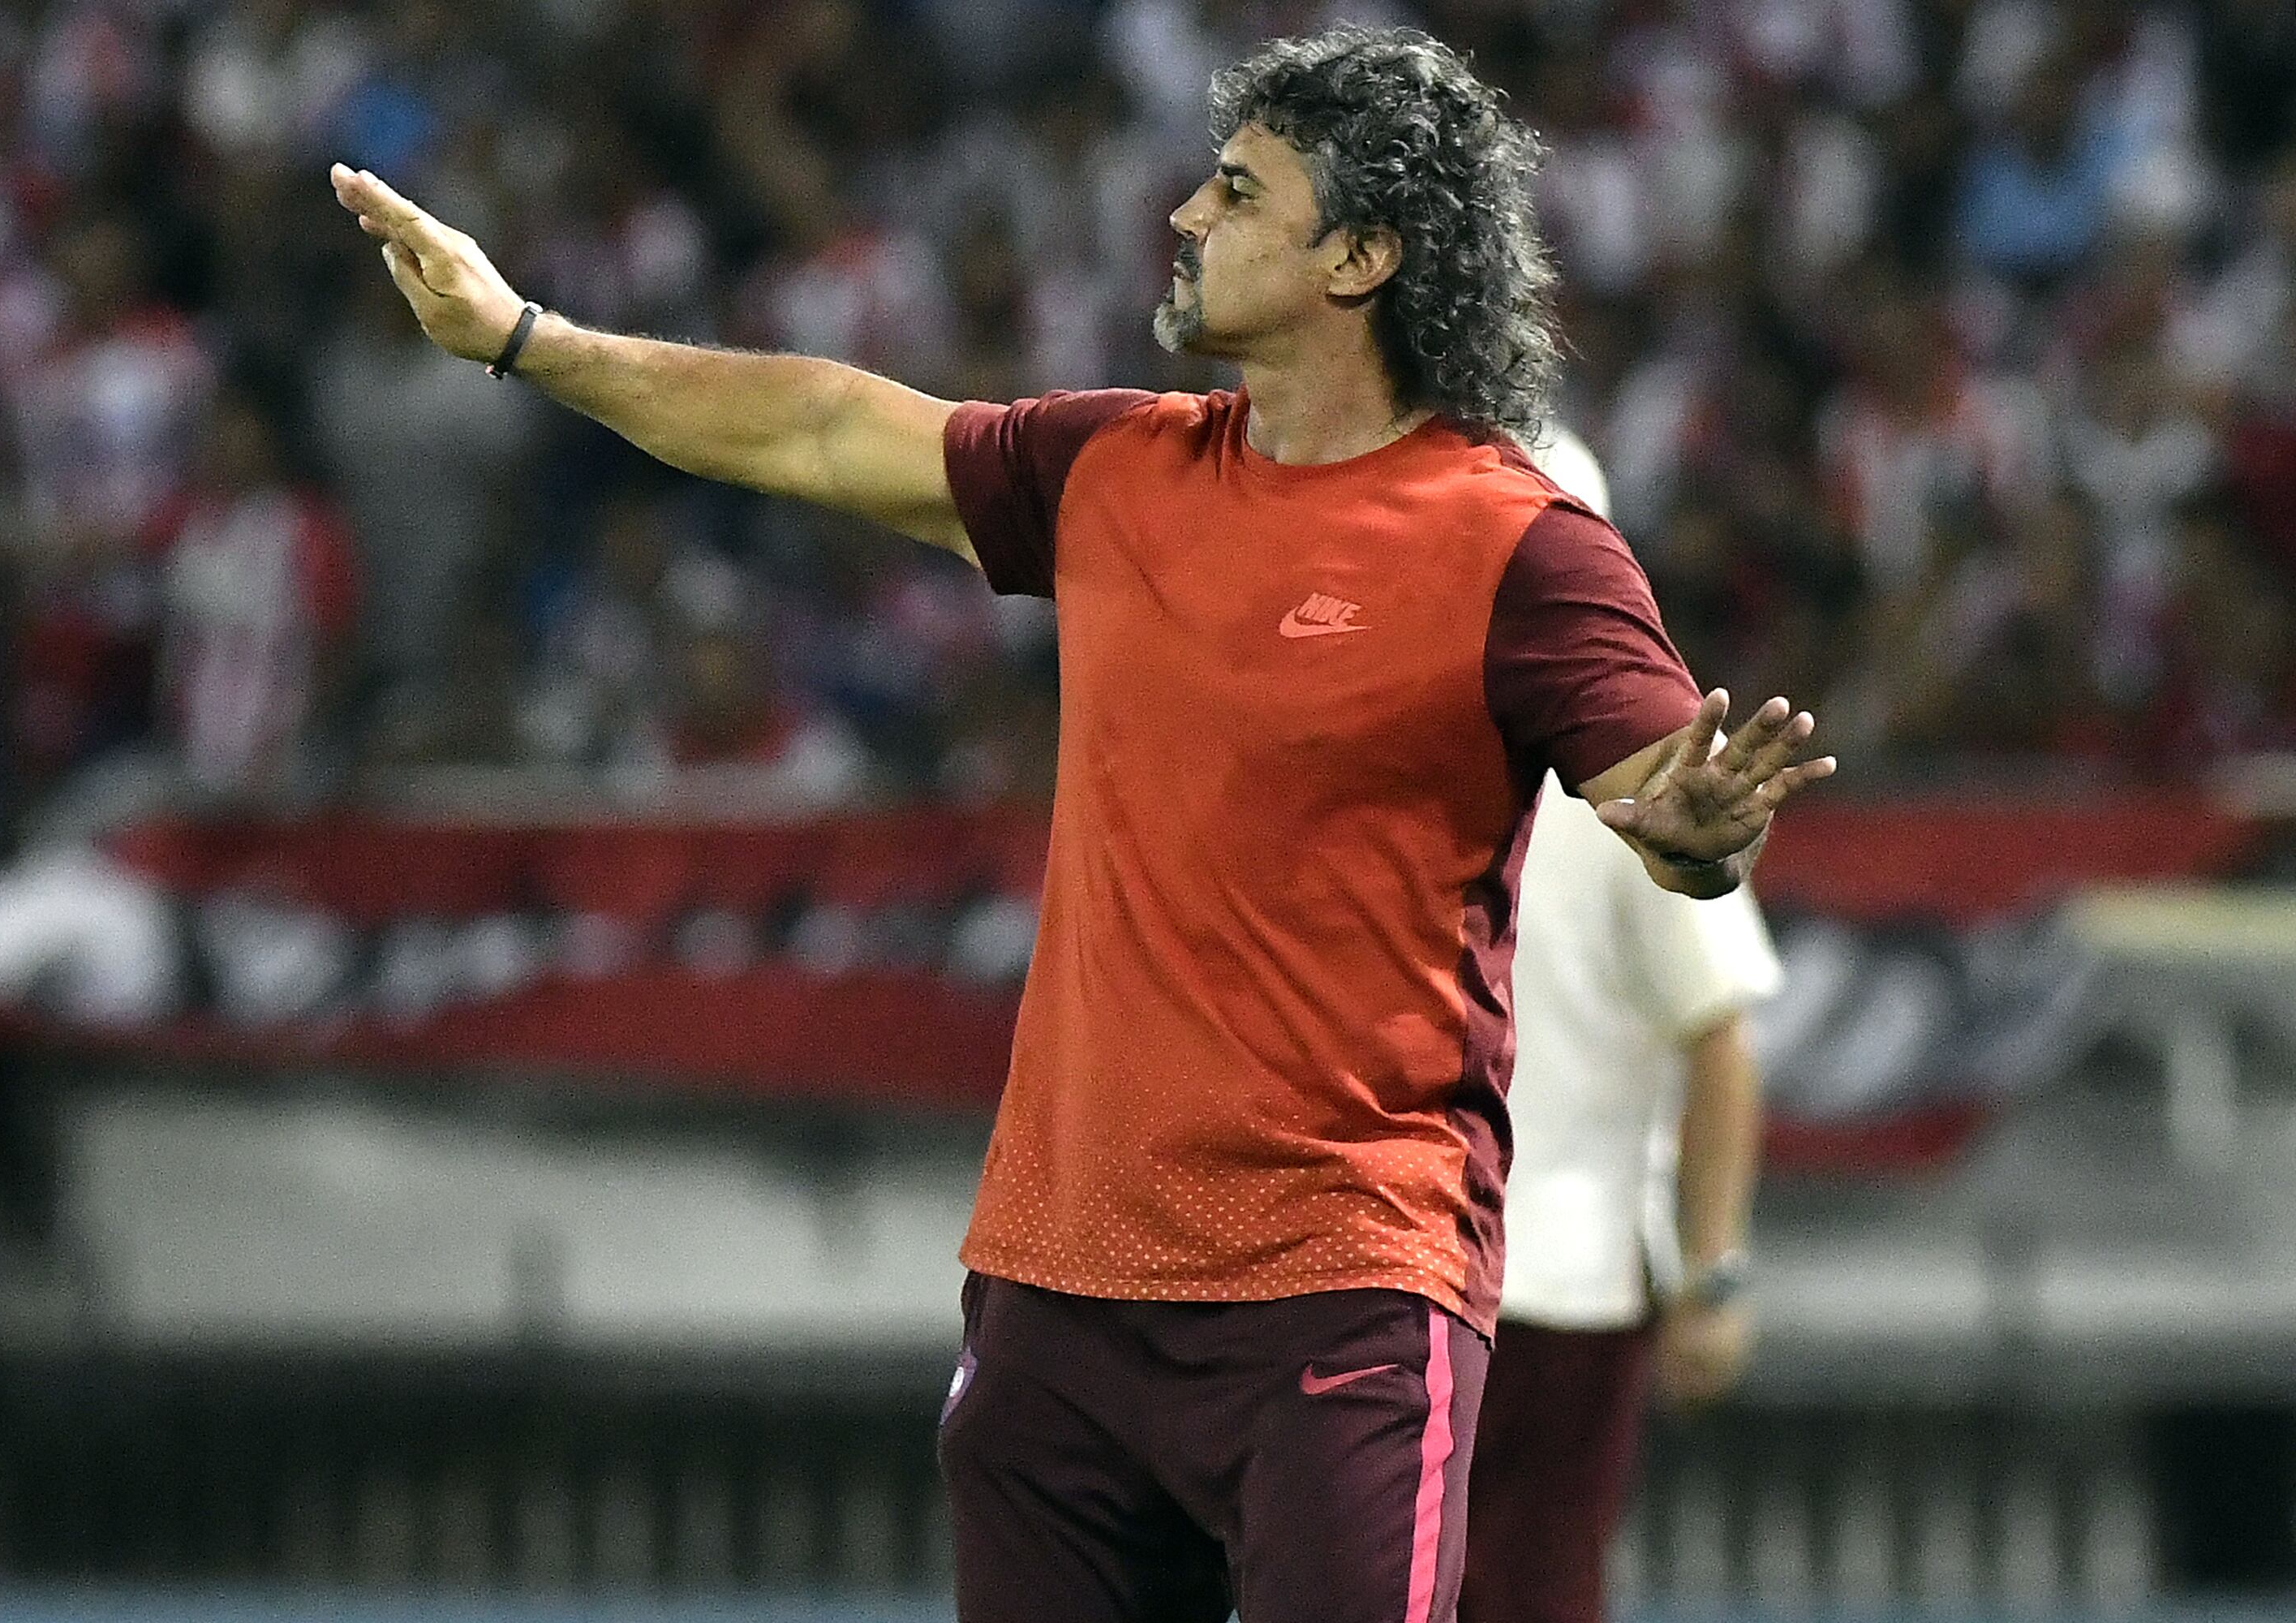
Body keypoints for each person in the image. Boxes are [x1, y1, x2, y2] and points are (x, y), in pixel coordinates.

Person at [329, 25, 1834, 1622]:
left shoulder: (1523, 547)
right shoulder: (1117, 470)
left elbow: (1673, 808)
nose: (1187, 215)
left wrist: (1698, 823)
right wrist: (526, 336)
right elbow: (825, 427)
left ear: (1368, 254)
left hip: (1344, 1296)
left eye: (1242, 191)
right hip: (1060, 1291)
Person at [1462, 430, 1782, 1623]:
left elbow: (1722, 1042)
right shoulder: (1635, 788)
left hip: (1428, 1269)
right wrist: (1715, 1275)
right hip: (1566, 1280)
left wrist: (1715, 1275)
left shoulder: (1412, 768)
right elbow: (1721, 1033)